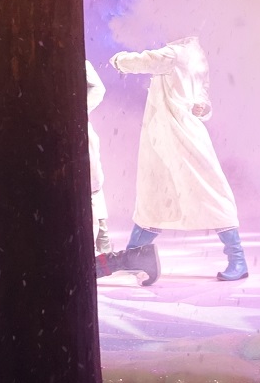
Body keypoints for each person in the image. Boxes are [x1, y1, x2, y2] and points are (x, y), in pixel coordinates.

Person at [98, 37, 244, 284]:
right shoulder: (197, 54)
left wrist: (117, 60)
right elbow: (203, 98)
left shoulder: (174, 54)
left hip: (179, 136)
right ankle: (134, 254)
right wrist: (202, 108)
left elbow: (142, 61)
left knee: (208, 193)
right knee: (157, 194)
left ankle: (237, 258)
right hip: (169, 137)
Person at [86, 60, 112, 254]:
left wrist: (76, 112)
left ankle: (103, 247)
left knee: (92, 185)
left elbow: (97, 88)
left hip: (76, 133)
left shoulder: (74, 60)